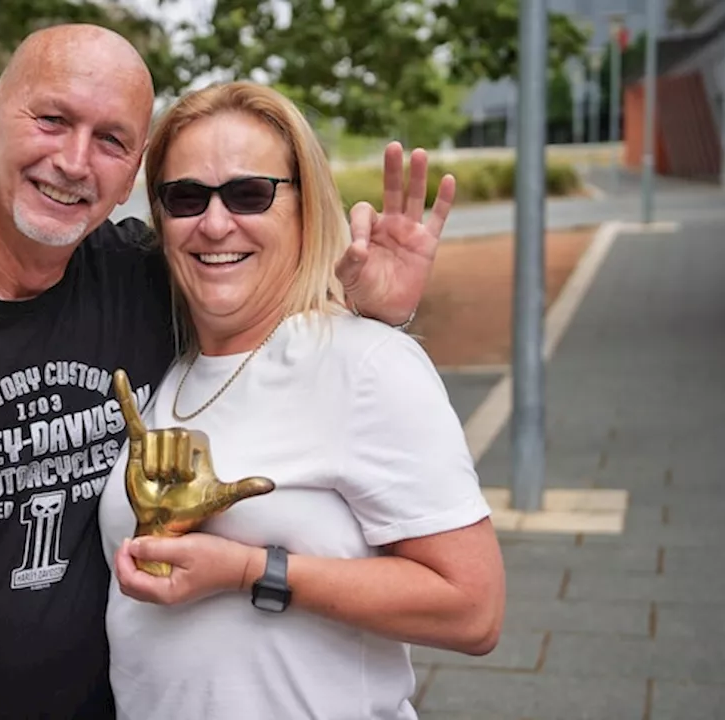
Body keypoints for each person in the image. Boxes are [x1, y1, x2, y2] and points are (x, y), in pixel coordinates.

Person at [0, 24, 443, 720]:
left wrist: (369, 306)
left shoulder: (145, 280)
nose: (75, 162)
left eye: (111, 140)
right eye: (51, 120)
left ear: (132, 172)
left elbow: (256, 282)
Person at [93, 82, 505, 719]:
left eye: (249, 193)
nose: (215, 222)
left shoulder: (366, 363)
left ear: (305, 206)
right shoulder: (164, 370)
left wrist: (250, 570)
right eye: (185, 197)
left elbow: (473, 610)